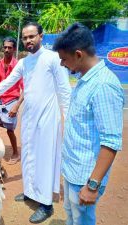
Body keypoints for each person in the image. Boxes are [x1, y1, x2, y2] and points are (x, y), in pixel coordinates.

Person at [0, 22, 71, 223]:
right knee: (29, 156)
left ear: (41, 36)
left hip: (48, 118)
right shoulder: (24, 63)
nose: (28, 41)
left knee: (44, 159)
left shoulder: (52, 59)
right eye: (25, 37)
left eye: (32, 36)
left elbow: (65, 92)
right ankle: (31, 192)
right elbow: (5, 84)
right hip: (30, 116)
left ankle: (46, 204)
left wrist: (68, 121)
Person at [53, 23, 124, 225]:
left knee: (82, 220)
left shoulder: (103, 85)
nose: (62, 65)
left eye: (64, 60)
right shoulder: (86, 79)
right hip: (73, 169)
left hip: (85, 178)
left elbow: (111, 142)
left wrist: (92, 186)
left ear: (78, 54)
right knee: (72, 214)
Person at [0, 36, 23, 165]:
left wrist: (17, 106)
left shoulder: (19, 66)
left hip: (12, 99)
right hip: (0, 98)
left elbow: (25, 89)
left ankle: (15, 153)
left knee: (9, 129)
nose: (7, 50)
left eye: (10, 47)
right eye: (5, 47)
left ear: (14, 49)